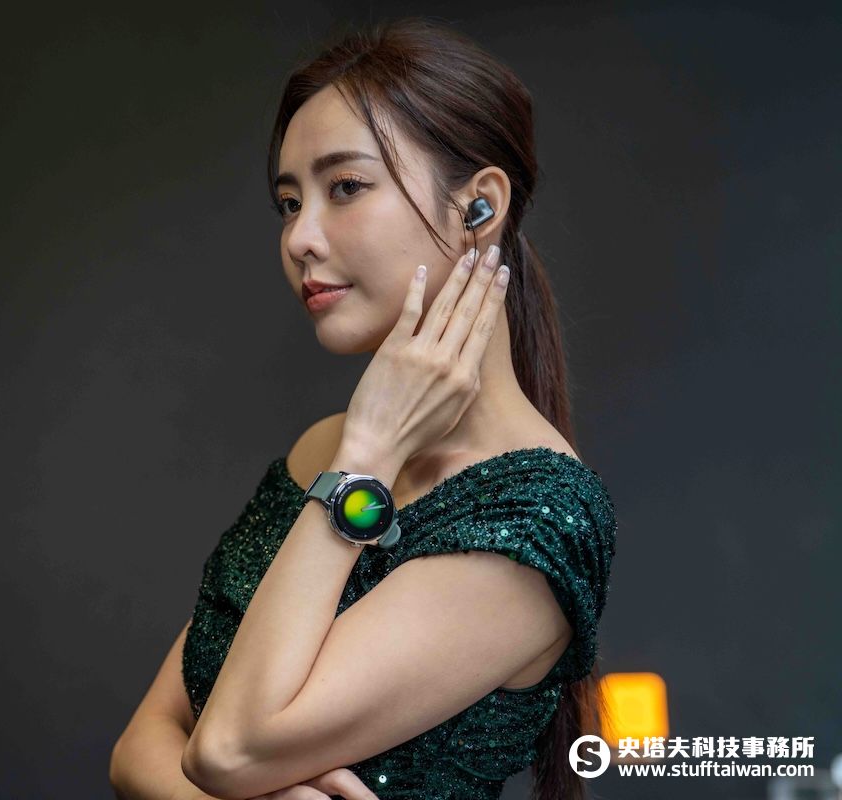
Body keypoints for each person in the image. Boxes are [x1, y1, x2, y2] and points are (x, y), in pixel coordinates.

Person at [110, 16, 618, 800]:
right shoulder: (325, 450)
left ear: (479, 208)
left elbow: (226, 752)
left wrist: (369, 455)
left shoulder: (534, 520)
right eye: (288, 202)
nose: (299, 239)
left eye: (345, 187)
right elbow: (140, 746)